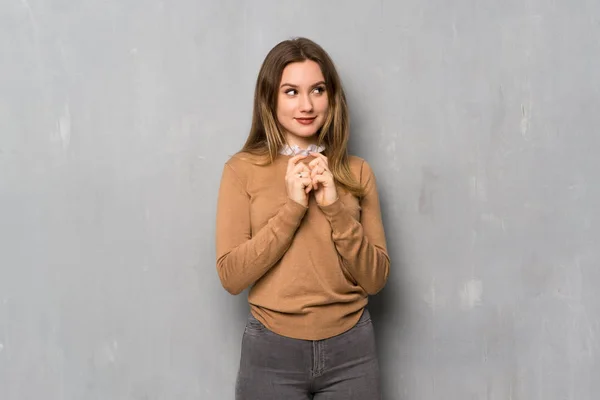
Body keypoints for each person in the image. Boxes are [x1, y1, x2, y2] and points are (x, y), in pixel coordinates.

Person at [215, 37, 390, 399]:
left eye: (317, 90)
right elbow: (231, 276)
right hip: (271, 353)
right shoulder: (241, 170)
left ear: (332, 97)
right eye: (291, 91)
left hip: (352, 352)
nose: (307, 105)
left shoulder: (357, 172)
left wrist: (335, 209)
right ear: (270, 99)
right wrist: (292, 209)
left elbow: (375, 279)